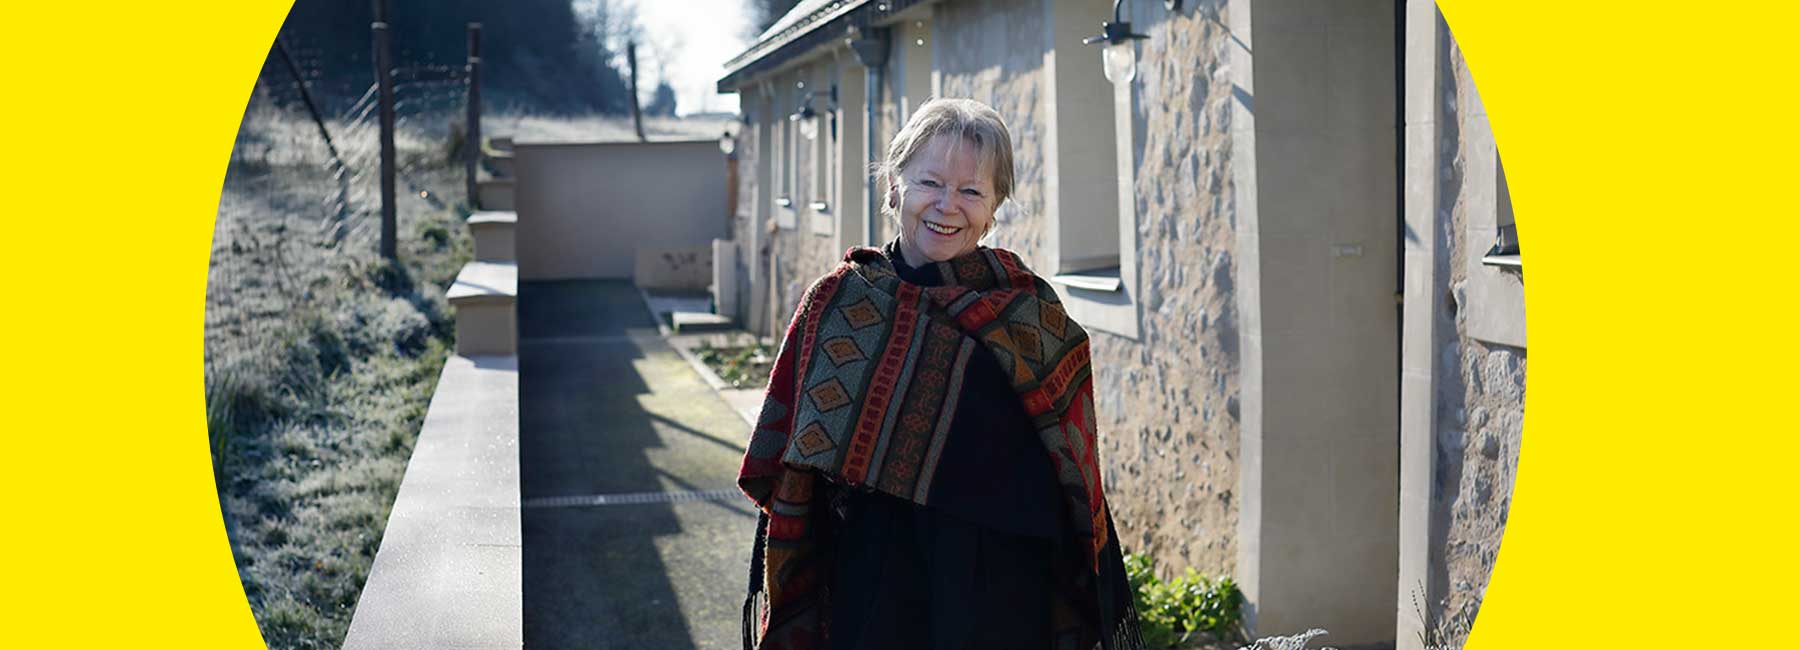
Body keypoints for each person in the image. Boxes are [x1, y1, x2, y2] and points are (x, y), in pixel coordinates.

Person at [738, 98, 1142, 650]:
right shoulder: (839, 304)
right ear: (893, 187)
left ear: (994, 208)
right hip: (875, 582)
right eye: (930, 182)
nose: (948, 206)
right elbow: (792, 462)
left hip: (1003, 593)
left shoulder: (1028, 314)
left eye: (972, 191)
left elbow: (1070, 471)